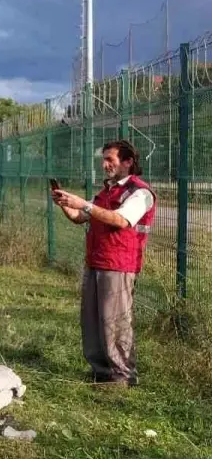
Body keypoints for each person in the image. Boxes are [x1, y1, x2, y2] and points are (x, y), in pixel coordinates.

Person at [51, 139, 155, 387]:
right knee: (93, 320)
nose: (104, 164)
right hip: (96, 260)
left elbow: (120, 220)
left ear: (128, 163)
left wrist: (83, 203)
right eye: (104, 159)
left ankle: (122, 376)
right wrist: (66, 205)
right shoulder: (106, 191)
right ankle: (101, 372)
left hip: (119, 264)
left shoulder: (140, 193)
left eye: (111, 159)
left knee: (115, 321)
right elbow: (80, 217)